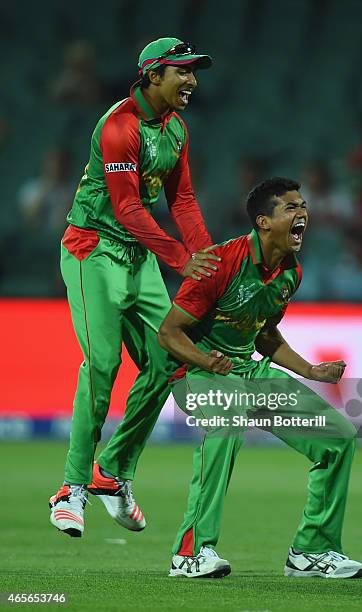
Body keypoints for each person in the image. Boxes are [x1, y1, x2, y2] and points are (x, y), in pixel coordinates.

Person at [49, 37, 221, 537]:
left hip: (139, 257)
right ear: (152, 75)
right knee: (102, 363)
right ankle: (72, 487)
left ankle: (114, 474)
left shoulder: (176, 129)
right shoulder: (118, 127)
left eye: (194, 72)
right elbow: (125, 209)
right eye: (182, 71)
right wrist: (180, 260)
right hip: (93, 250)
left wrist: (207, 261)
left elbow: (183, 200)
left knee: (170, 360)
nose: (192, 80)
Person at [158, 177, 362, 579]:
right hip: (199, 372)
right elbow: (169, 333)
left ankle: (312, 551)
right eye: (290, 207)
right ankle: (190, 554)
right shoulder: (220, 263)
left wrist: (310, 370)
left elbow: (265, 335)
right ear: (263, 222)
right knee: (227, 424)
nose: (302, 212)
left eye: (303, 205)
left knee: (337, 437)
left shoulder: (290, 272)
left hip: (250, 372)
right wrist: (205, 360)